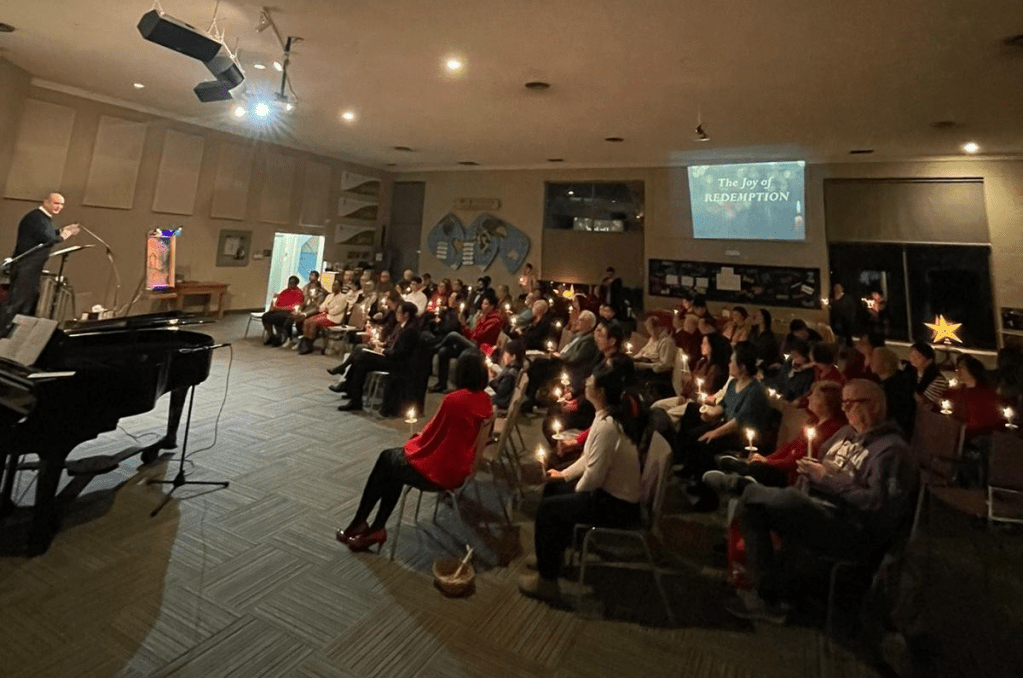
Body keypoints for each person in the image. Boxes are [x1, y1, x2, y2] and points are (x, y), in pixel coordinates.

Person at [728, 379, 918, 623]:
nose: (845, 410)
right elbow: (821, 460)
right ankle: (774, 592)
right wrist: (815, 473)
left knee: (763, 500)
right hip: (821, 506)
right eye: (843, 403)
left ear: (875, 406)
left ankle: (772, 599)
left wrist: (828, 479)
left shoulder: (891, 451)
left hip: (851, 528)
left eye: (851, 404)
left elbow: (876, 504)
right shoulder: (847, 433)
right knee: (756, 506)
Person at [336, 351, 493, 552]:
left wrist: (417, 440)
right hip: (459, 467)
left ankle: (363, 522)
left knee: (386, 460)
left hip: (441, 472)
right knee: (392, 466)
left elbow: (434, 433)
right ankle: (374, 527)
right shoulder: (484, 400)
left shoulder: (455, 400)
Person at [518, 362, 643, 602]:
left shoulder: (608, 427)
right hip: (607, 491)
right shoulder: (605, 416)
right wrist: (564, 476)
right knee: (554, 485)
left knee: (549, 510)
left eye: (591, 381)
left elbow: (593, 477)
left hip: (618, 505)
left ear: (601, 392)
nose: (586, 382)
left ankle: (547, 581)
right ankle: (551, 557)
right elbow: (588, 457)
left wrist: (572, 490)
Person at [704, 381, 846, 493]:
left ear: (826, 402)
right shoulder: (814, 421)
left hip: (794, 475)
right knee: (758, 465)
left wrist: (767, 462)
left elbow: (797, 460)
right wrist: (766, 458)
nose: (809, 398)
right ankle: (743, 472)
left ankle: (738, 477)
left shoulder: (831, 430)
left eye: (814, 396)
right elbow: (790, 447)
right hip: (784, 466)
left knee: (759, 468)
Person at [1, 193, 79, 333]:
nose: (59, 207)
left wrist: (62, 230)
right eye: (56, 203)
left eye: (62, 204)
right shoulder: (36, 217)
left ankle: (17, 334)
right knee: (18, 302)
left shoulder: (43, 218)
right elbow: (49, 239)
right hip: (25, 266)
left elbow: (47, 233)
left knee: (29, 302)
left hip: (33, 267)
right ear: (46, 202)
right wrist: (66, 234)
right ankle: (4, 334)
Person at [336, 301, 420, 411]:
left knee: (362, 358)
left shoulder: (410, 331)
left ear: (406, 314)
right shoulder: (400, 326)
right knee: (361, 350)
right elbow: (391, 342)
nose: (396, 314)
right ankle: (352, 392)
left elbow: (399, 353)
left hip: (395, 363)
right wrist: (381, 344)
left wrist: (382, 350)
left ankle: (352, 393)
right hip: (389, 356)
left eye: (399, 312)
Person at [431, 288, 503, 393]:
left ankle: (433, 348)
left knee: (453, 335)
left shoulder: (495, 320)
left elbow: (477, 336)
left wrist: (464, 325)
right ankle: (441, 385)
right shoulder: (484, 316)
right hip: (475, 343)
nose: (482, 306)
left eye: (486, 304)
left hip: (483, 349)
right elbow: (472, 333)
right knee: (443, 352)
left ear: (492, 306)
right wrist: (466, 326)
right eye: (483, 303)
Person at [870, 347, 917, 438]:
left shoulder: (897, 389)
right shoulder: (883, 383)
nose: (871, 361)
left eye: (874, 358)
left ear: (886, 363)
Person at [297, 279, 348, 354]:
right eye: (333, 285)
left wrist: (326, 309)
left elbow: (336, 311)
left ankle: (309, 344)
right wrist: (324, 308)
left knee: (313, 322)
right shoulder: (329, 296)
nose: (333, 287)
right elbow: (322, 307)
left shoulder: (343, 297)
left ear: (340, 287)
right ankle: (305, 341)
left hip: (334, 318)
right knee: (307, 321)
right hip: (325, 314)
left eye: (335, 285)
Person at [262, 276, 305, 346]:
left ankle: (279, 337)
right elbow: (277, 300)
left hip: (288, 312)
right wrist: (273, 306)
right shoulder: (285, 291)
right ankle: (271, 335)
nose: (290, 285)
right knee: (265, 316)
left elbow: (294, 307)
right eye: (289, 283)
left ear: (295, 284)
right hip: (278, 310)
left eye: (292, 283)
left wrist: (279, 309)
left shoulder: (299, 293)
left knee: (278, 317)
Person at [907, 341, 949, 407]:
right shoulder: (910, 373)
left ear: (929, 360)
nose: (913, 359)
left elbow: (924, 402)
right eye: (912, 355)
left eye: (918, 356)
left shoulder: (938, 380)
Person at [489, 339, 525, 409]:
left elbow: (500, 391)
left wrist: (490, 379)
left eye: (505, 354)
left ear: (513, 356)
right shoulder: (514, 369)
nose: (503, 356)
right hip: (502, 399)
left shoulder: (511, 374)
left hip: (500, 402)